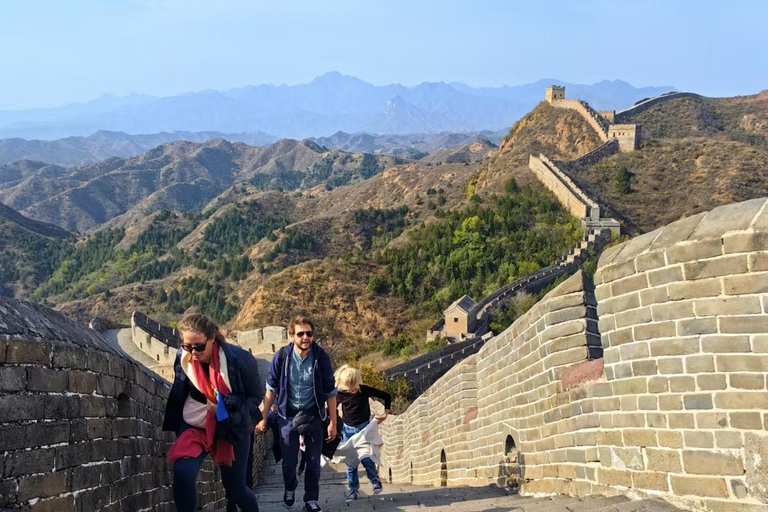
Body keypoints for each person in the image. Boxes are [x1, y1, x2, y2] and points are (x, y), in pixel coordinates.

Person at [163, 313, 263, 512]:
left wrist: (224, 408)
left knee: (236, 489)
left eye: (199, 346)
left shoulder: (240, 359)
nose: (193, 352)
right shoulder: (182, 358)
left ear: (211, 338)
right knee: (183, 473)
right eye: (187, 346)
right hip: (195, 424)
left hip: (231, 426)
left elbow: (255, 397)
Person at [255, 317, 337, 512]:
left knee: (313, 463)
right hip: (286, 415)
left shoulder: (320, 357)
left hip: (313, 415)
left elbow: (330, 392)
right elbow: (271, 389)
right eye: (300, 334)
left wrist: (332, 422)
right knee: (289, 463)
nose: (305, 337)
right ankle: (290, 488)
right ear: (292, 336)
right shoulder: (282, 357)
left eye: (309, 333)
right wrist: (263, 418)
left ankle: (311, 500)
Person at [334, 365, 391, 502]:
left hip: (364, 429)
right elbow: (331, 409)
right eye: (350, 389)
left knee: (366, 458)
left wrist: (386, 414)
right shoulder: (340, 394)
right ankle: (353, 490)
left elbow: (386, 396)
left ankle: (374, 480)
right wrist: (332, 424)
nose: (353, 391)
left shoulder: (364, 390)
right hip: (348, 431)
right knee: (351, 463)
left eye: (355, 388)